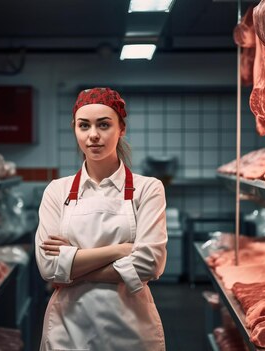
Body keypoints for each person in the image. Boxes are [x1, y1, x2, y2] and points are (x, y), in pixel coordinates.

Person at [35, 87, 168, 350]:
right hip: (68, 330)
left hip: (131, 330)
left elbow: (149, 265)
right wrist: (120, 250)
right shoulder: (57, 190)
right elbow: (48, 268)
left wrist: (71, 266)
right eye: (84, 126)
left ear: (121, 129)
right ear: (75, 129)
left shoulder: (148, 188)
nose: (93, 135)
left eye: (104, 125)